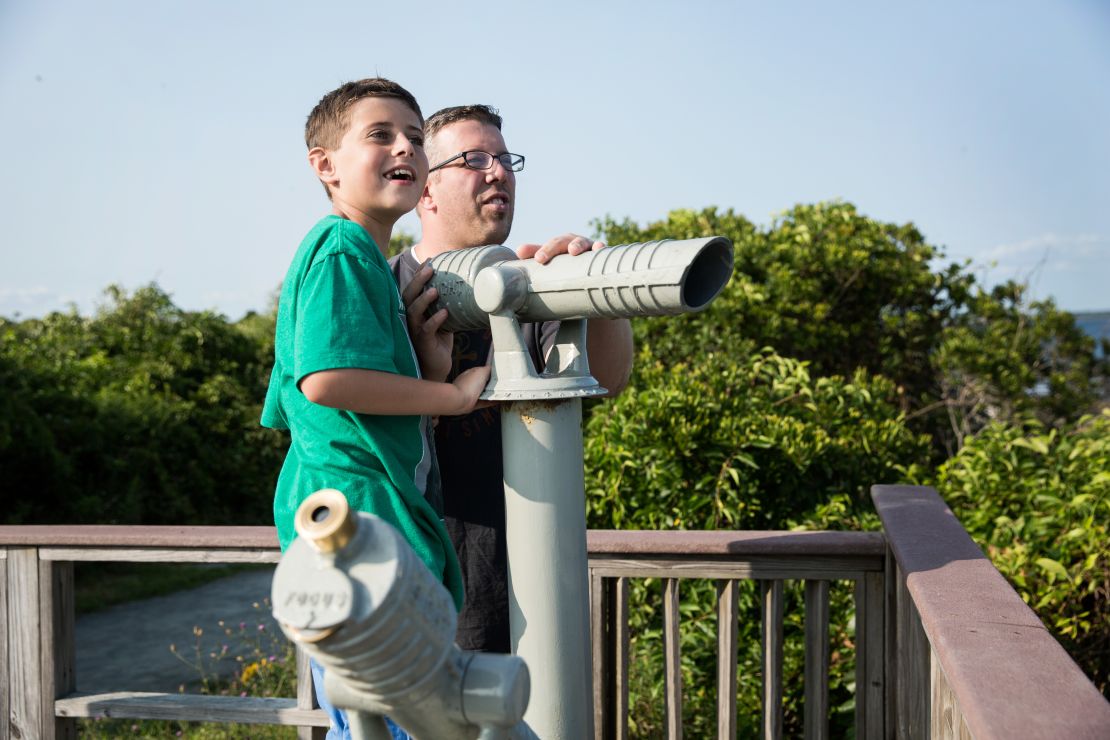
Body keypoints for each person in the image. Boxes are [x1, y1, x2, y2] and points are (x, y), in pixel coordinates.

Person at [261, 78, 487, 740]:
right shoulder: (343, 248)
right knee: (412, 715)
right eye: (379, 135)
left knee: (368, 717)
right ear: (324, 165)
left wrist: (427, 364)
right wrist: (454, 392)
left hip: (354, 514)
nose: (405, 149)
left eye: (416, 138)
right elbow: (327, 381)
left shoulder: (361, 257)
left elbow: (333, 396)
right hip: (362, 517)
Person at [391, 104, 634, 653]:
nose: (498, 172)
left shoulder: (532, 286)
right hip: (415, 587)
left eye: (505, 159)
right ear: (424, 190)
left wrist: (594, 288)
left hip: (534, 585)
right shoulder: (382, 292)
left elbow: (612, 378)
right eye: (474, 159)